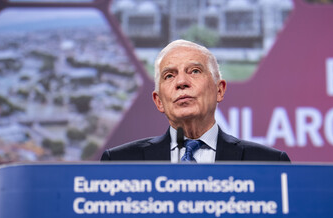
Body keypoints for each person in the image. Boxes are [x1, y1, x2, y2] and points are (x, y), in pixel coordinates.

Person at [101, 40, 290, 163]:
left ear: (219, 90)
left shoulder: (269, 163)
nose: (181, 82)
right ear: (158, 101)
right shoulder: (119, 161)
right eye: (169, 76)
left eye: (195, 71)